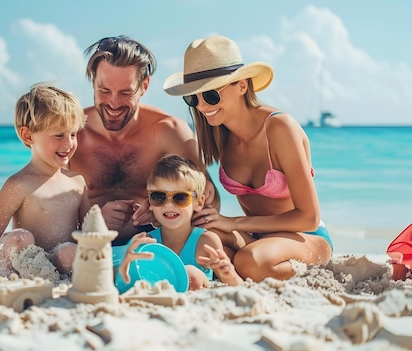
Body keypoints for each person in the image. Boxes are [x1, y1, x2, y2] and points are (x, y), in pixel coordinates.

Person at [160, 35, 333, 282]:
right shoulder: (217, 135)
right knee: (199, 243)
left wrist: (234, 223)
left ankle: (304, 271)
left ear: (242, 86)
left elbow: (309, 216)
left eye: (210, 95)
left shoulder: (279, 128)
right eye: (192, 98)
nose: (200, 106)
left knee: (249, 261)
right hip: (255, 238)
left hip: (305, 236)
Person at [69, 35, 220, 245]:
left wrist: (164, 212)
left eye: (125, 92)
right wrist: (92, 220)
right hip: (86, 244)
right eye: (104, 91)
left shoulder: (169, 131)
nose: (113, 103)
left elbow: (210, 203)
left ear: (144, 86)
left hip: (153, 245)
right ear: (93, 82)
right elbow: (42, 200)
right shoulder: (71, 131)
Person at [0, 83, 91, 285]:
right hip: (20, 259)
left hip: (57, 262)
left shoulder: (76, 182)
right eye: (59, 135)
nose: (68, 144)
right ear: (28, 135)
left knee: (71, 251)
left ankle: (58, 279)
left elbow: (89, 230)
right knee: (20, 238)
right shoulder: (19, 184)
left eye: (73, 134)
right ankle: (5, 277)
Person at [117, 155, 242, 290]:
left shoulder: (205, 241)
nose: (169, 205)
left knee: (192, 274)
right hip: (161, 300)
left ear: (199, 203)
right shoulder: (148, 242)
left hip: (195, 303)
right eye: (159, 197)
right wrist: (124, 264)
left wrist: (229, 274)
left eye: (180, 197)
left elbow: (236, 286)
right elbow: (126, 282)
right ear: (150, 203)